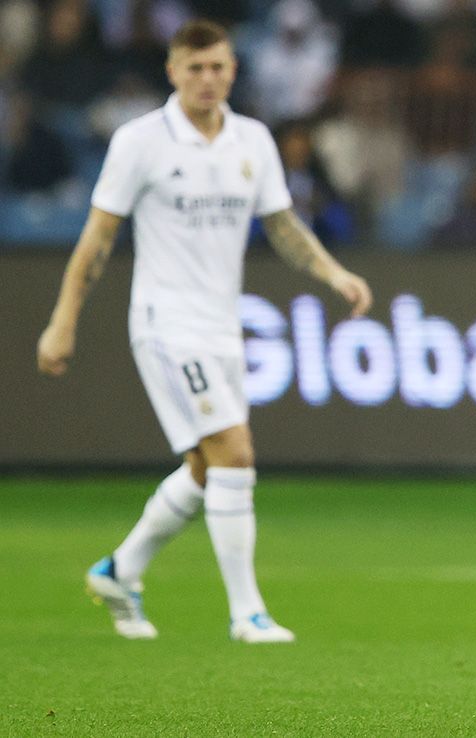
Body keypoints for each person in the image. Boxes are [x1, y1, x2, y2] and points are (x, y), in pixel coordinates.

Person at [36, 19, 372, 643]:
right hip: (166, 324)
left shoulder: (252, 140)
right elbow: (99, 237)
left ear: (233, 71)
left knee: (203, 465)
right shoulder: (140, 141)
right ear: (173, 72)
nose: (207, 79)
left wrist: (333, 273)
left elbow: (283, 224)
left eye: (217, 67)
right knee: (235, 454)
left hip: (222, 326)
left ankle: (120, 569)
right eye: (195, 68)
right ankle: (248, 613)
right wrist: (62, 321)